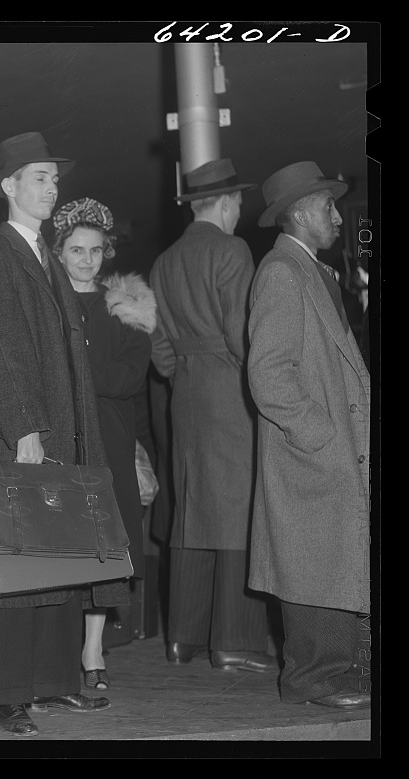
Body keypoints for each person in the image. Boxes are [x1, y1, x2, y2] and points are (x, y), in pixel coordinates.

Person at [0, 131, 111, 736]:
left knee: (58, 556)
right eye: (39, 178)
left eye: (54, 178)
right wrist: (23, 428)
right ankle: (9, 697)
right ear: (9, 186)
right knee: (18, 562)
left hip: (61, 430)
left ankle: (53, 681)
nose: (51, 187)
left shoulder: (42, 253)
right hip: (22, 430)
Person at [247, 162, 370, 710]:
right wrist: (321, 434)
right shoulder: (280, 272)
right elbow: (268, 374)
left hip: (329, 449)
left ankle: (339, 670)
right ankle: (311, 677)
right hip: (311, 451)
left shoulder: (310, 270)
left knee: (331, 558)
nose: (338, 216)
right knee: (314, 560)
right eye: (328, 206)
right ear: (300, 213)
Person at [148, 158, 277, 674]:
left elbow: (157, 349)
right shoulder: (231, 249)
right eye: (238, 202)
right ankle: (235, 641)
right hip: (229, 392)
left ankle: (184, 636)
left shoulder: (162, 263)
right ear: (225, 203)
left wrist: (184, 372)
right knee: (237, 510)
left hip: (186, 395)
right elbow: (241, 334)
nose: (239, 209)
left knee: (192, 511)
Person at [52, 197, 155, 689]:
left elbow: (131, 376)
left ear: (106, 253)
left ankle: (93, 651)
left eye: (95, 250)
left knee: (104, 544)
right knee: (64, 539)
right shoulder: (48, 302)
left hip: (110, 437)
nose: (87, 259)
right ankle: (58, 647)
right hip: (61, 435)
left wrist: (78, 372)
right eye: (77, 250)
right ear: (60, 252)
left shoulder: (127, 307)